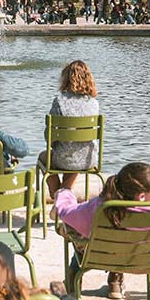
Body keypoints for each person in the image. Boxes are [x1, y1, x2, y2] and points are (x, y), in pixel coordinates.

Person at [54, 161, 150, 300]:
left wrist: (65, 191)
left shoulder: (101, 208)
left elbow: (66, 212)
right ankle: (116, 283)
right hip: (149, 258)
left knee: (77, 230)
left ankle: (73, 278)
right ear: (142, 196)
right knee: (127, 240)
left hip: (103, 257)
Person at [39, 61, 100, 201]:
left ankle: (58, 199)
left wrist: (54, 144)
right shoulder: (93, 104)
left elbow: (50, 137)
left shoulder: (59, 101)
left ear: (65, 78)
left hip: (63, 158)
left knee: (44, 157)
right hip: (88, 159)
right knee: (77, 155)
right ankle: (64, 196)